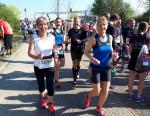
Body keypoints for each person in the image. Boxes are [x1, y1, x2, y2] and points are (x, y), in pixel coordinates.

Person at [83, 16, 113, 116]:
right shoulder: (93, 39)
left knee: (105, 91)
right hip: (95, 68)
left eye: (104, 25)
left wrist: (113, 56)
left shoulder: (110, 37)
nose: (102, 27)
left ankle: (99, 107)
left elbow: (110, 51)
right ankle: (88, 96)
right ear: (97, 27)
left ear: (107, 25)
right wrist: (92, 59)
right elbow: (86, 52)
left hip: (107, 67)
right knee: (96, 91)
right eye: (99, 25)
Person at [28, 16, 57, 113]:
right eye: (40, 24)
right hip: (38, 66)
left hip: (49, 65)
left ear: (47, 25)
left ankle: (50, 103)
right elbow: (29, 53)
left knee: (50, 86)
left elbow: (55, 48)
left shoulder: (52, 37)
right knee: (41, 85)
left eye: (45, 24)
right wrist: (36, 56)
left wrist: (56, 54)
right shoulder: (34, 37)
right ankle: (43, 99)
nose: (43, 26)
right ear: (37, 26)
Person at [128, 21, 149, 103]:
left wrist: (133, 55)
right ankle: (138, 96)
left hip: (133, 58)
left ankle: (130, 94)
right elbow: (147, 51)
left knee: (131, 77)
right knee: (142, 80)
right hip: (143, 59)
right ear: (146, 28)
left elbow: (130, 50)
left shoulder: (133, 37)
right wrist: (147, 65)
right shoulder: (148, 37)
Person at [67, 16, 87, 85]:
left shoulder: (83, 31)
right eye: (75, 23)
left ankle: (78, 72)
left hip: (80, 49)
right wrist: (67, 41)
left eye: (77, 23)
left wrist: (81, 41)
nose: (76, 24)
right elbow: (67, 38)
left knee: (79, 64)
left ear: (80, 23)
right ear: (73, 23)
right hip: (73, 49)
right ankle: (74, 78)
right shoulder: (71, 31)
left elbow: (86, 39)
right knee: (74, 64)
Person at [52, 17, 65, 88]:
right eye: (57, 22)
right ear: (55, 23)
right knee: (57, 66)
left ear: (61, 23)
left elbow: (63, 41)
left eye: (59, 22)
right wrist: (55, 48)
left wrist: (67, 41)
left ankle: (54, 68)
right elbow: (51, 41)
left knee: (63, 64)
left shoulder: (62, 31)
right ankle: (57, 81)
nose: (58, 23)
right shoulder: (53, 31)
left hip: (61, 49)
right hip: (55, 50)